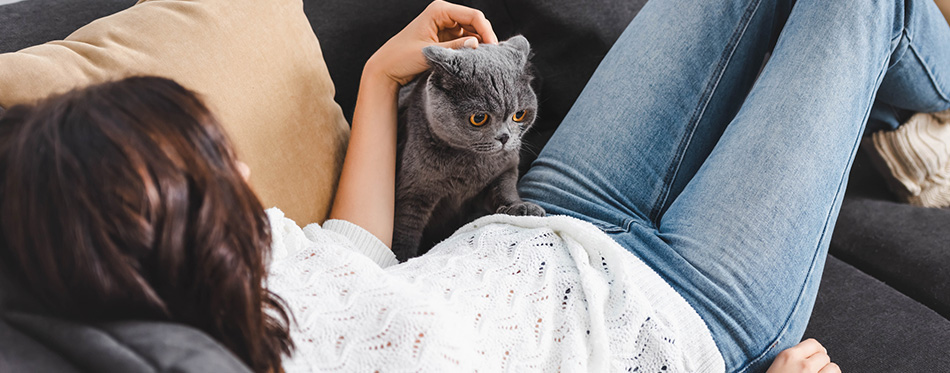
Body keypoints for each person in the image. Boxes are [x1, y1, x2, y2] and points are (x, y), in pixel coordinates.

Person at [2, 0, 948, 372]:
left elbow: (354, 252)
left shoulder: (253, 259)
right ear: (164, 236)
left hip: (560, 209)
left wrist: (378, 78)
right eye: (216, 169)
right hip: (689, 312)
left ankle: (898, 117)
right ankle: (917, 117)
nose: (244, 170)